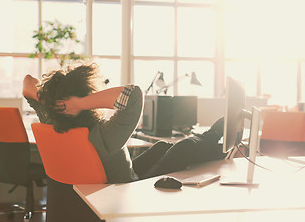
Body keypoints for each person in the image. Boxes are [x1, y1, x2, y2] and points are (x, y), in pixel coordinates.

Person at [22, 63, 226, 183]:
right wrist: (81, 103)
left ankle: (216, 147)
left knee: (162, 146)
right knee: (185, 146)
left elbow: (27, 84)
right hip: (125, 188)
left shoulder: (50, 121)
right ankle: (214, 137)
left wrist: (52, 103)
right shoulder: (104, 136)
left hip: (109, 179)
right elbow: (134, 95)